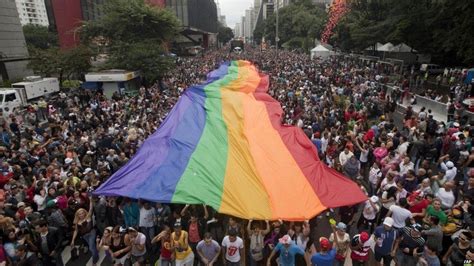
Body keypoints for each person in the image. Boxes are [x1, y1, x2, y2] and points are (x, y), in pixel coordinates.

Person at [70, 198, 99, 265]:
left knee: (91, 248)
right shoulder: (77, 222)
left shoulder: (88, 217)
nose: (82, 215)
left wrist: (91, 200)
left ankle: (94, 261)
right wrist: (73, 240)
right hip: (84, 236)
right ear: (77, 215)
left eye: (82, 213)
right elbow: (76, 231)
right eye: (80, 214)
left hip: (91, 233)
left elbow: (91, 208)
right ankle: (96, 252)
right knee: (92, 247)